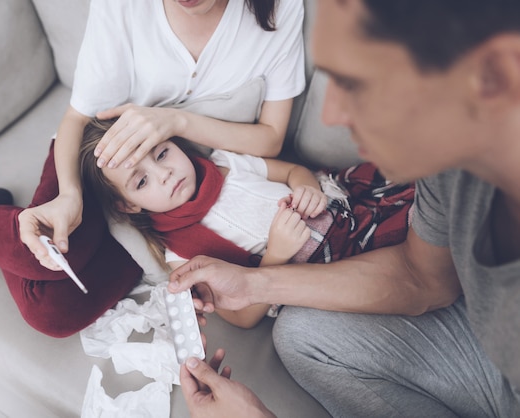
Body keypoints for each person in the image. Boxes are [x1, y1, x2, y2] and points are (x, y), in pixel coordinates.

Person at [168, 0, 520, 417]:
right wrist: (255, 284)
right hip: (488, 350)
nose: (331, 115)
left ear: (497, 74)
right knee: (301, 331)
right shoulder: (451, 160)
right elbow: (422, 276)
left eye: (357, 83)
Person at [0, 0, 305, 337]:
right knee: (39, 255)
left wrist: (176, 123)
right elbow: (77, 120)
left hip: (154, 208)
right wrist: (70, 196)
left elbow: (271, 137)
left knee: (51, 313)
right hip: (95, 162)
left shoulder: (278, 9)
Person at [79, 118, 413, 328]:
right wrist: (277, 255)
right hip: (317, 267)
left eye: (162, 153)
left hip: (340, 207)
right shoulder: (181, 255)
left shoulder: (226, 163)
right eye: (141, 182)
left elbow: (291, 171)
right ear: (129, 205)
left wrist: (308, 188)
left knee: (409, 178)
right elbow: (241, 317)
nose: (164, 173)